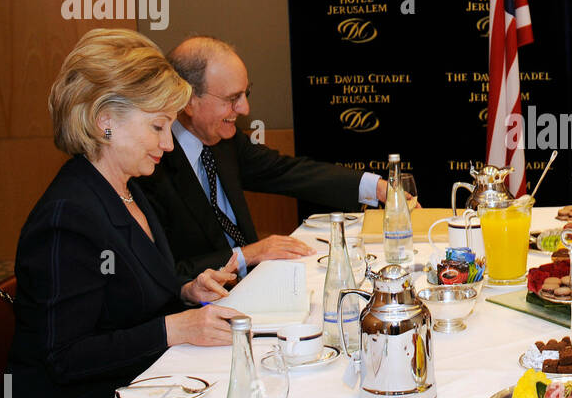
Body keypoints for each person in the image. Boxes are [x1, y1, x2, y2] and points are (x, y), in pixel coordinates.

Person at [8, 30, 242, 398]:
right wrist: (177, 328)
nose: (169, 144)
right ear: (104, 120)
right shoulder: (68, 216)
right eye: (158, 127)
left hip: (133, 394)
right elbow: (65, 356)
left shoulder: (127, 190)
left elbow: (124, 291)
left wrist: (186, 290)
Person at [138, 36, 403, 280]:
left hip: (257, 283)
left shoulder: (224, 141)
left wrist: (375, 187)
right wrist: (248, 254)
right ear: (188, 99)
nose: (244, 108)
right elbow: (166, 273)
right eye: (232, 99)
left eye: (245, 94)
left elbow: (285, 171)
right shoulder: (150, 165)